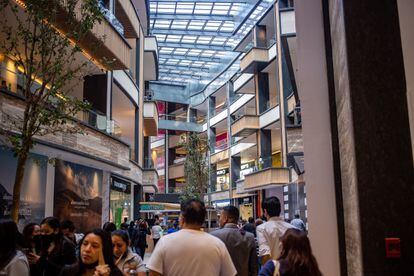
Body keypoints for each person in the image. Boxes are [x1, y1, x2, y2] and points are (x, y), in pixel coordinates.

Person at [147, 198, 237, 276]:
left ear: (182, 218)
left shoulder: (165, 242)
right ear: (203, 219)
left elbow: (153, 272)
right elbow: (229, 273)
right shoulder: (217, 244)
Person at [210, 206, 258, 276]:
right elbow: (254, 267)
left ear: (225, 218)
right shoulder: (249, 237)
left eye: (220, 217)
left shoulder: (213, 236)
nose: (219, 220)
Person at [257, 197, 293, 265]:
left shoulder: (262, 228)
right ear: (279, 209)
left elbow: (265, 255)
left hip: (274, 270)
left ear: (265, 211)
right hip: (291, 270)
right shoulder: (292, 228)